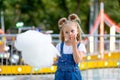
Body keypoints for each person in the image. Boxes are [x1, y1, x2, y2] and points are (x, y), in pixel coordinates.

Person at [54, 13, 86, 80]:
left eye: (72, 31)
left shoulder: (80, 46)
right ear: (63, 34)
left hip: (73, 76)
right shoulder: (59, 46)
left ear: (77, 31)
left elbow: (77, 61)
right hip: (60, 76)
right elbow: (56, 61)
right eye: (66, 32)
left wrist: (74, 46)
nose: (70, 34)